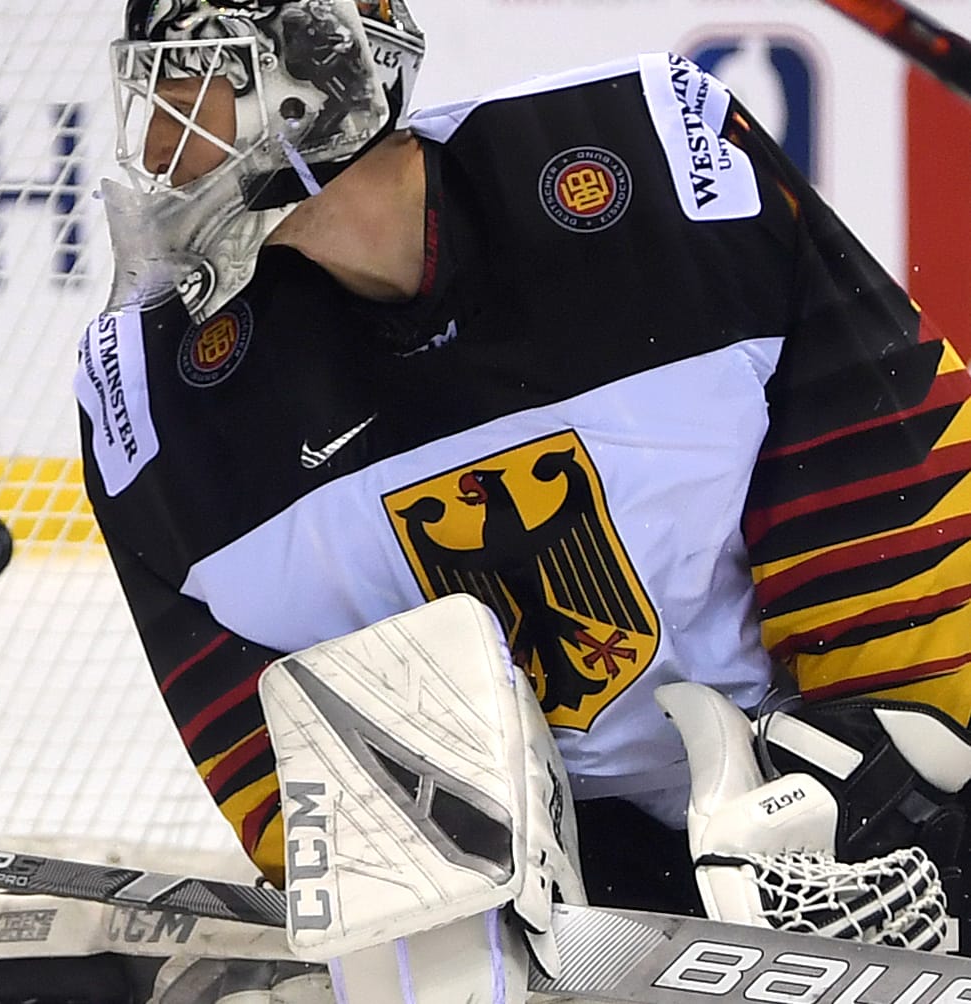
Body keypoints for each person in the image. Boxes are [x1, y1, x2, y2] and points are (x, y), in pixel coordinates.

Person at [76, 0, 971, 940]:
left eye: (187, 74)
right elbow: (276, 751)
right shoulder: (152, 391)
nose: (152, 129)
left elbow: (890, 487)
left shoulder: (646, 164)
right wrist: (416, 891)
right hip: (544, 892)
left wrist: (884, 792)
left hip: (817, 806)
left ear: (316, 78)